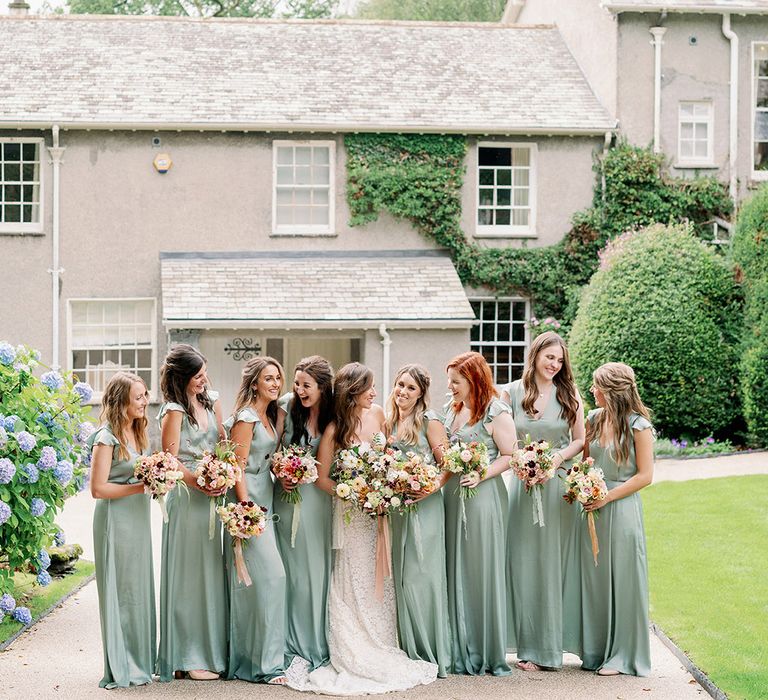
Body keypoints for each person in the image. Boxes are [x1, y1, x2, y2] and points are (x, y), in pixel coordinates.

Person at [286, 362, 438, 695]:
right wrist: (354, 492)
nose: (375, 393)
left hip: (379, 512)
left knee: (377, 576)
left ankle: (383, 639)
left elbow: (391, 455)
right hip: (351, 515)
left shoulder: (380, 414)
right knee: (352, 575)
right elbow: (323, 479)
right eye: (369, 387)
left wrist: (387, 483)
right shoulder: (333, 431)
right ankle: (354, 645)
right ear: (354, 391)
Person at [501, 331, 585, 671]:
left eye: (560, 360)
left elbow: (580, 440)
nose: (554, 364)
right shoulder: (510, 392)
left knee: (551, 564)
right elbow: (502, 439)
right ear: (535, 355)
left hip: (556, 488)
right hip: (521, 486)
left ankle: (548, 651)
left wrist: (554, 460)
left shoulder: (569, 394)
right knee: (521, 562)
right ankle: (524, 646)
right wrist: (522, 461)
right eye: (549, 357)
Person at [156, 344, 228, 682]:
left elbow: (223, 445)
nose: (203, 380)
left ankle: (208, 650)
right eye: (197, 376)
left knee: (210, 575)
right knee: (188, 577)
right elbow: (170, 460)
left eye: (204, 374)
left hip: (213, 498)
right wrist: (200, 482)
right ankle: (186, 655)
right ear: (182, 378)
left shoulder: (210, 402)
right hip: (187, 499)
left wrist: (223, 472)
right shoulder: (173, 411)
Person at [443, 351, 517, 676]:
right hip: (452, 495)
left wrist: (481, 473)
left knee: (480, 568)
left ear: (473, 379)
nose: (451, 386)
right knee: (454, 565)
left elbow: (510, 455)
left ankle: (485, 649)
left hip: (483, 497)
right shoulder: (453, 408)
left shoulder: (495, 411)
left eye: (455, 381)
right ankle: (457, 645)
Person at [578, 362, 654, 677]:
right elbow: (584, 462)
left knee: (623, 579)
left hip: (621, 508)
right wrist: (580, 486)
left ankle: (624, 656)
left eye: (597, 386)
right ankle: (597, 651)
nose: (592, 390)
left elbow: (646, 476)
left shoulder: (639, 426)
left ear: (611, 391)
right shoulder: (593, 420)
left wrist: (607, 496)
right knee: (595, 580)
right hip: (593, 507)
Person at [384, 364, 452, 677]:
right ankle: (407, 649)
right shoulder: (388, 421)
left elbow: (447, 466)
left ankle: (431, 651)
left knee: (420, 577)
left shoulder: (430, 420)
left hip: (425, 506)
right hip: (397, 509)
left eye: (411, 388)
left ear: (422, 392)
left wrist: (428, 488)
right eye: (400, 385)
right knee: (399, 578)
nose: (403, 392)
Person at [90, 371, 155, 689]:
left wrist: (157, 483)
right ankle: (120, 664)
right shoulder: (106, 437)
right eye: (139, 396)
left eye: (145, 395)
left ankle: (138, 661)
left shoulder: (138, 432)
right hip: (115, 520)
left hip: (138, 519)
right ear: (122, 401)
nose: (145, 401)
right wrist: (139, 488)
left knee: (137, 589)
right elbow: (98, 489)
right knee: (120, 590)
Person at [225, 356, 288, 684]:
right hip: (250, 504)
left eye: (278, 377)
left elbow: (269, 459)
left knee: (267, 581)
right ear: (254, 383)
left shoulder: (274, 414)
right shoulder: (246, 418)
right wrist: (246, 507)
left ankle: (267, 656)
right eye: (268, 379)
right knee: (270, 579)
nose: (275, 383)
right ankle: (263, 665)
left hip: (270, 496)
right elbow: (236, 466)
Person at [273, 356, 334, 671]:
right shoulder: (286, 405)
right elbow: (271, 451)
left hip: (316, 501)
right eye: (296, 383)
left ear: (323, 387)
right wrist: (279, 470)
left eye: (306, 385)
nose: (299, 390)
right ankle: (283, 641)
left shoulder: (332, 415)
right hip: (286, 496)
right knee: (288, 569)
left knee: (313, 571)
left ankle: (312, 640)